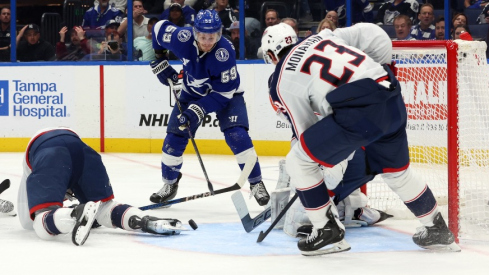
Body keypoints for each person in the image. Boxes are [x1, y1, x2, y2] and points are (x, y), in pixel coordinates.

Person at [261, 22, 460, 255]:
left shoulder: (279, 81)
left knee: (298, 161)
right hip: (389, 92)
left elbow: (305, 134)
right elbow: (374, 34)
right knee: (396, 172)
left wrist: (311, 184)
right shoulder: (323, 36)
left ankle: (327, 232)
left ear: (272, 54)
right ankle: (438, 230)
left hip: (358, 111)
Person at [149, 9, 270, 206]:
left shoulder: (224, 53)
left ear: (219, 34)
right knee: (174, 137)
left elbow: (222, 95)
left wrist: (196, 111)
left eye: (211, 37)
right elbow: (158, 29)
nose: (207, 41)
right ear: (195, 33)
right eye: (203, 37)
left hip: (227, 94)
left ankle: (256, 183)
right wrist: (160, 58)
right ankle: (169, 184)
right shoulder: (181, 38)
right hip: (191, 91)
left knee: (237, 135)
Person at [17, 127, 186, 246]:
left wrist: (52, 210)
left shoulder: (33, 164)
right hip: (81, 149)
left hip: (47, 150)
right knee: (105, 208)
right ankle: (144, 221)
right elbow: (99, 208)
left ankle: (75, 213)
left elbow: (26, 222)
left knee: (40, 224)